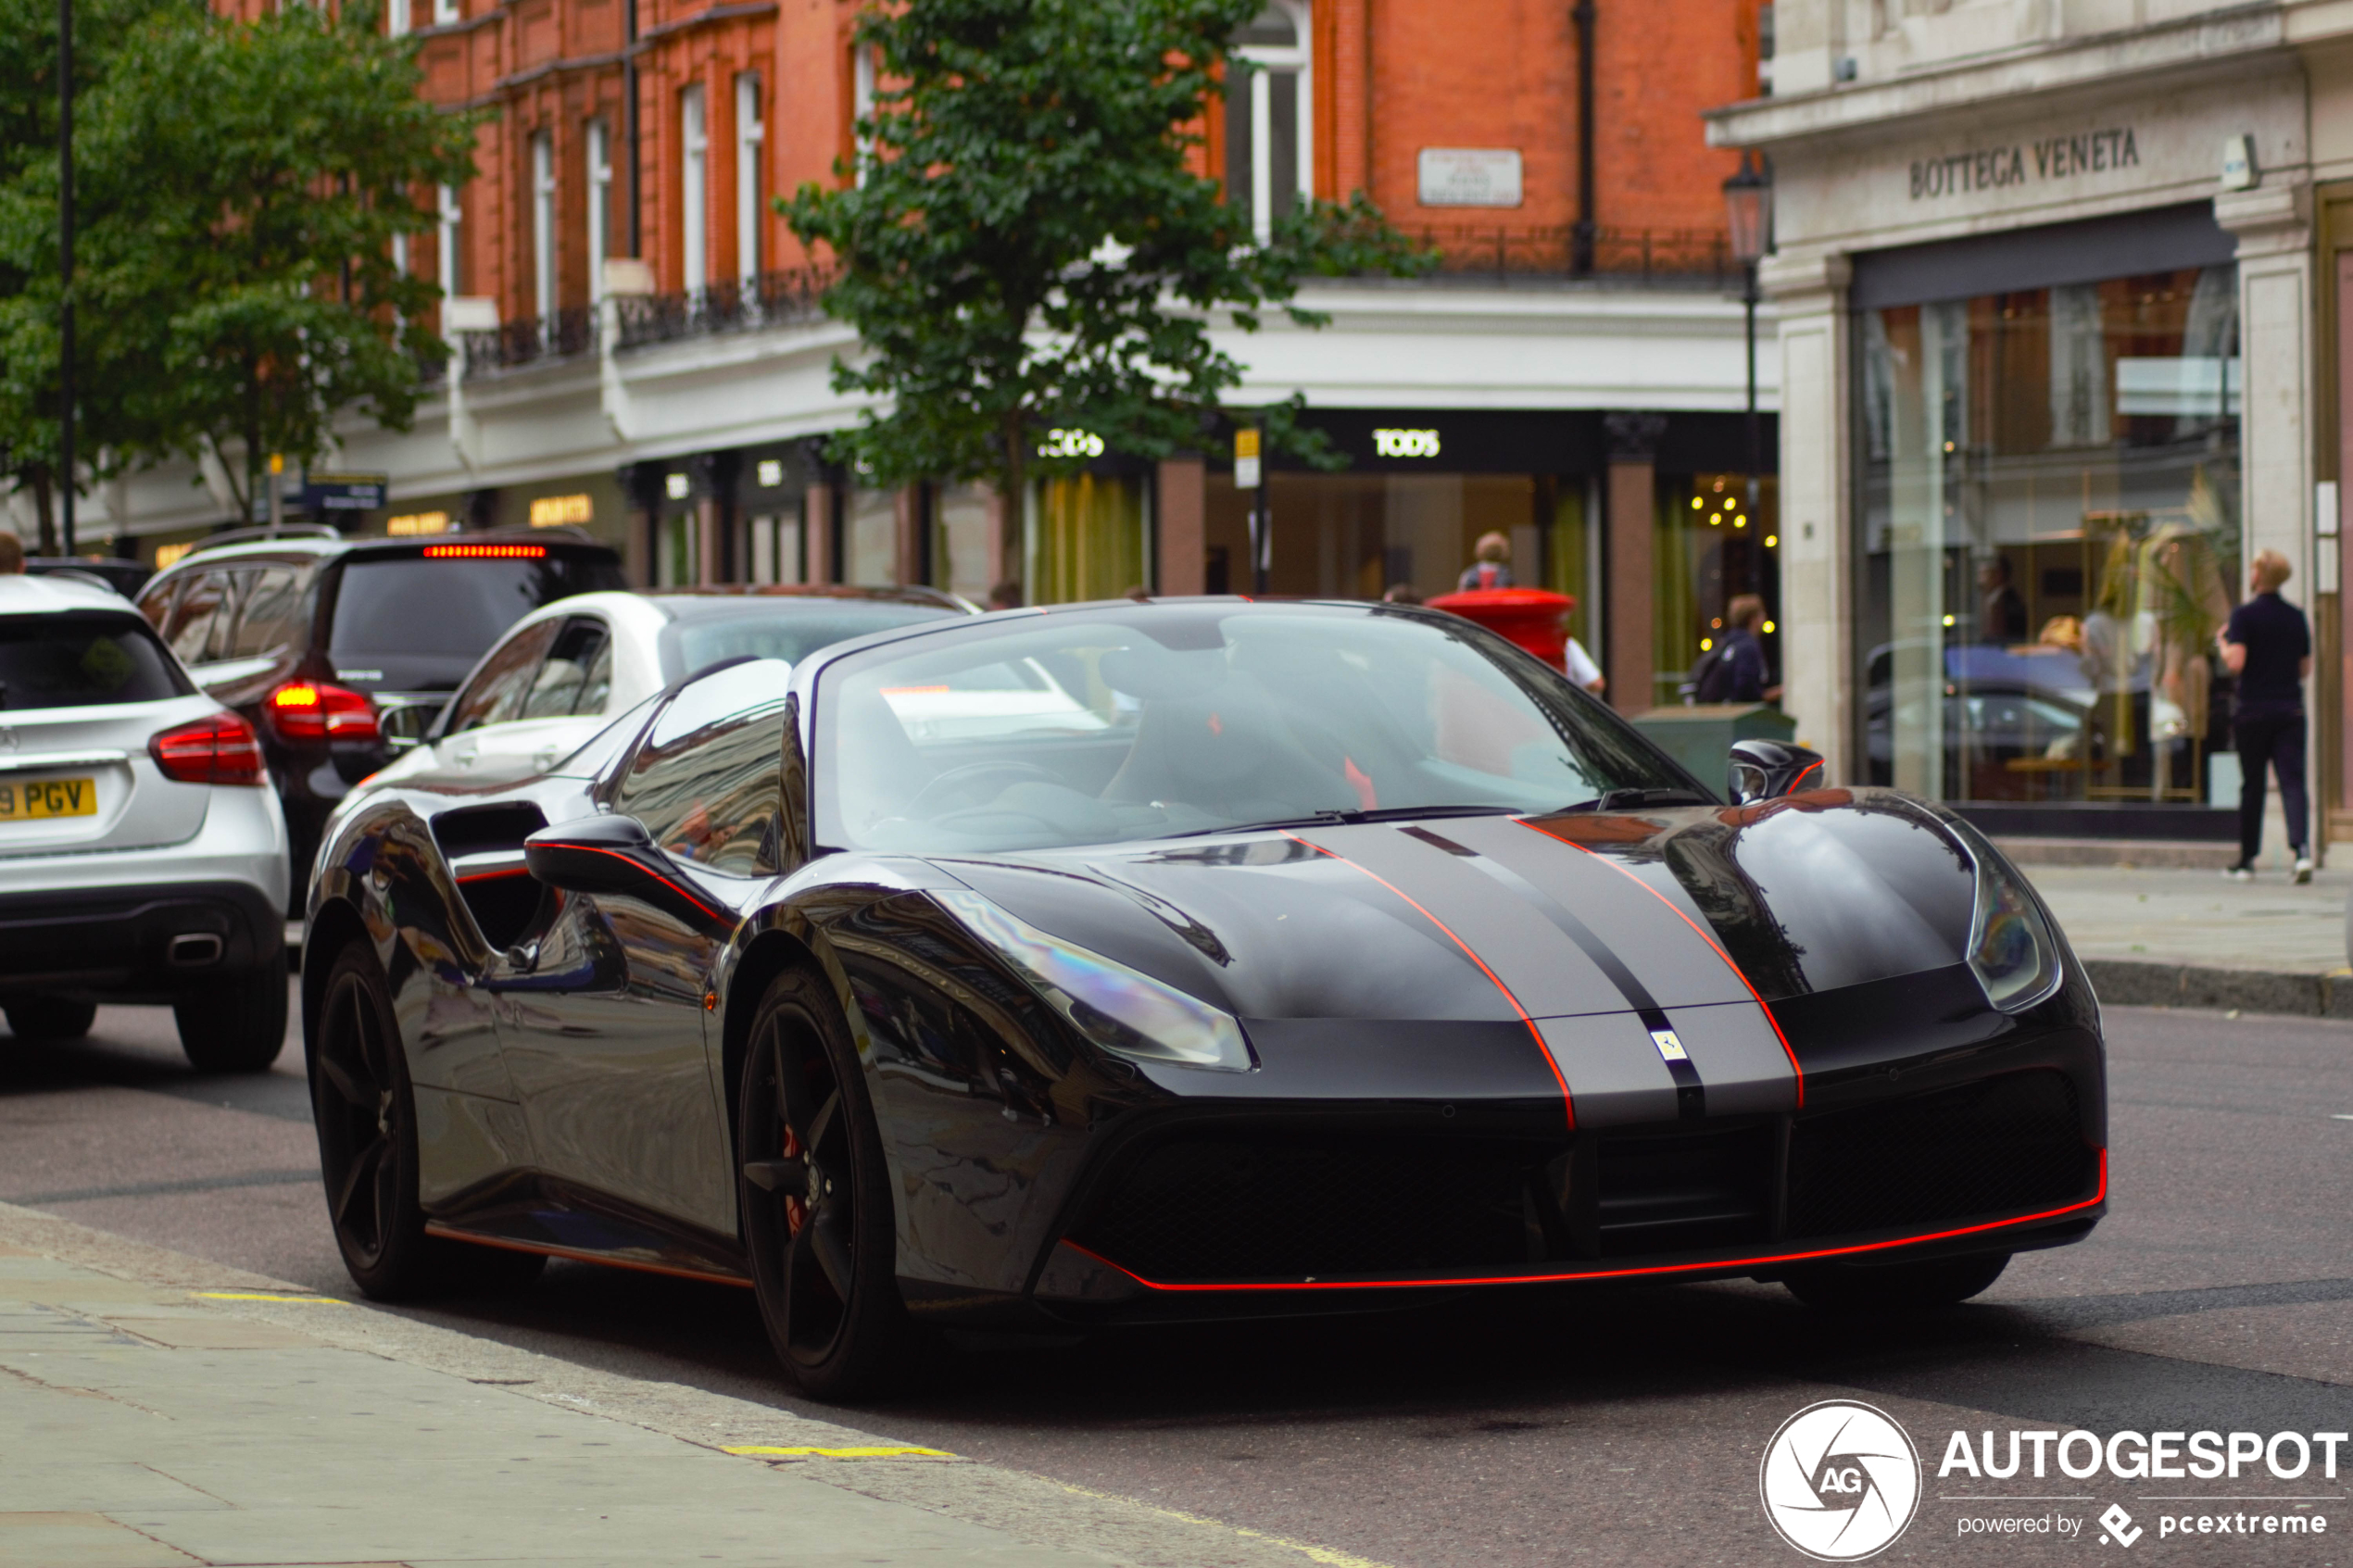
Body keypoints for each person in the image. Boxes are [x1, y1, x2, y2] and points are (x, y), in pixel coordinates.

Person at [2218, 549, 2312, 883]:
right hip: (2290, 710)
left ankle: (2246, 861)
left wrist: (2223, 643)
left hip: (2254, 711)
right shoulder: (2295, 616)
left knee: (2253, 785)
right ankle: (2301, 852)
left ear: (2258, 574)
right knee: (2292, 781)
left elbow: (2235, 663)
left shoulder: (2244, 615)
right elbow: (2304, 668)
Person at [1692, 595, 1771, 704]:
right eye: (1762, 614)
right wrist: (1772, 694)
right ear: (1753, 618)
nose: (1765, 617)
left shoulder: (1726, 642)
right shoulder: (1748, 646)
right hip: (1741, 714)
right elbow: (1746, 689)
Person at [1978, 555, 2027, 644]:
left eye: (1984, 574)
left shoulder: (2010, 601)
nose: (1980, 580)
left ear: (1998, 574)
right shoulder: (1989, 599)